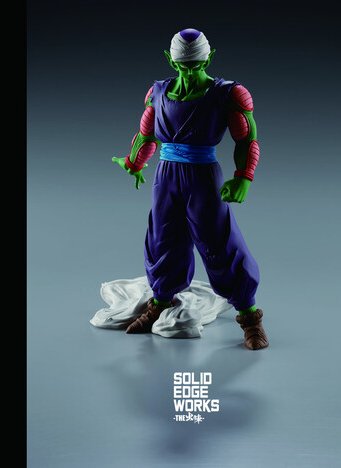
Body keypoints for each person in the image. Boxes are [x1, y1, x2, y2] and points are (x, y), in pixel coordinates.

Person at [112, 28, 268, 350]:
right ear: (171, 61)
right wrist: (134, 162)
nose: (190, 71)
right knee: (163, 238)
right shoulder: (158, 92)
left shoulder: (228, 94)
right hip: (166, 176)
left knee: (219, 240)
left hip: (203, 176)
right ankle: (160, 302)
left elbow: (246, 138)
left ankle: (249, 315)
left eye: (197, 65)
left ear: (209, 60)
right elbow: (147, 134)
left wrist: (244, 177)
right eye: (184, 66)